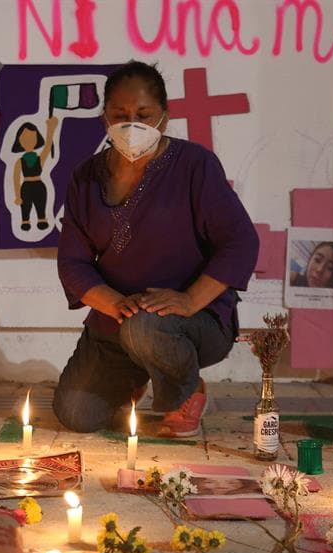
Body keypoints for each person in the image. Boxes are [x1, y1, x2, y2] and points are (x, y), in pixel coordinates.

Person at [54, 61, 258, 438]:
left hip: (191, 324)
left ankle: (185, 389)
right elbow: (72, 262)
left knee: (145, 325)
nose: (132, 123)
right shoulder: (85, 176)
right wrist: (114, 303)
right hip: (115, 321)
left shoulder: (195, 165)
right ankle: (139, 374)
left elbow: (240, 240)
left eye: (143, 114)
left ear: (164, 117)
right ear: (104, 118)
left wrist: (189, 300)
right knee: (75, 413)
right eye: (120, 114)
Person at [12, 118, 59, 231]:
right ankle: (25, 220)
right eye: (25, 138)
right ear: (19, 140)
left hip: (39, 185)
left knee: (40, 204)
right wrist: (18, 196)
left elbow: (48, 146)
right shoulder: (19, 161)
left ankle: (41, 218)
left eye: (32, 137)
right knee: (25, 206)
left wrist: (51, 129)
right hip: (26, 187)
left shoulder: (39, 159)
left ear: (37, 138)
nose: (28, 140)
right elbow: (16, 178)